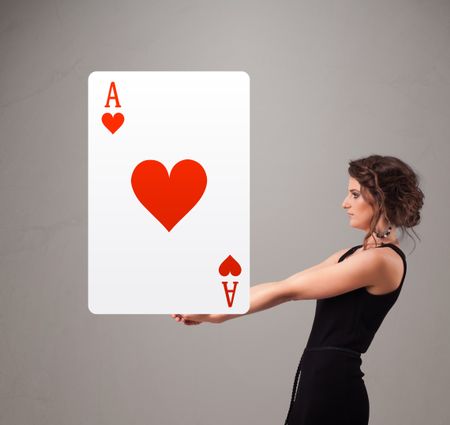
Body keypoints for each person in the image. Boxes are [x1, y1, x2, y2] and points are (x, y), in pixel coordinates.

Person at [170, 154, 424, 425]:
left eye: (354, 195)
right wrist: (212, 308)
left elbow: (287, 291)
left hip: (334, 390)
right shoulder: (352, 254)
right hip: (317, 382)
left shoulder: (380, 261)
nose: (344, 203)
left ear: (381, 198)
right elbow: (283, 285)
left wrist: (216, 314)